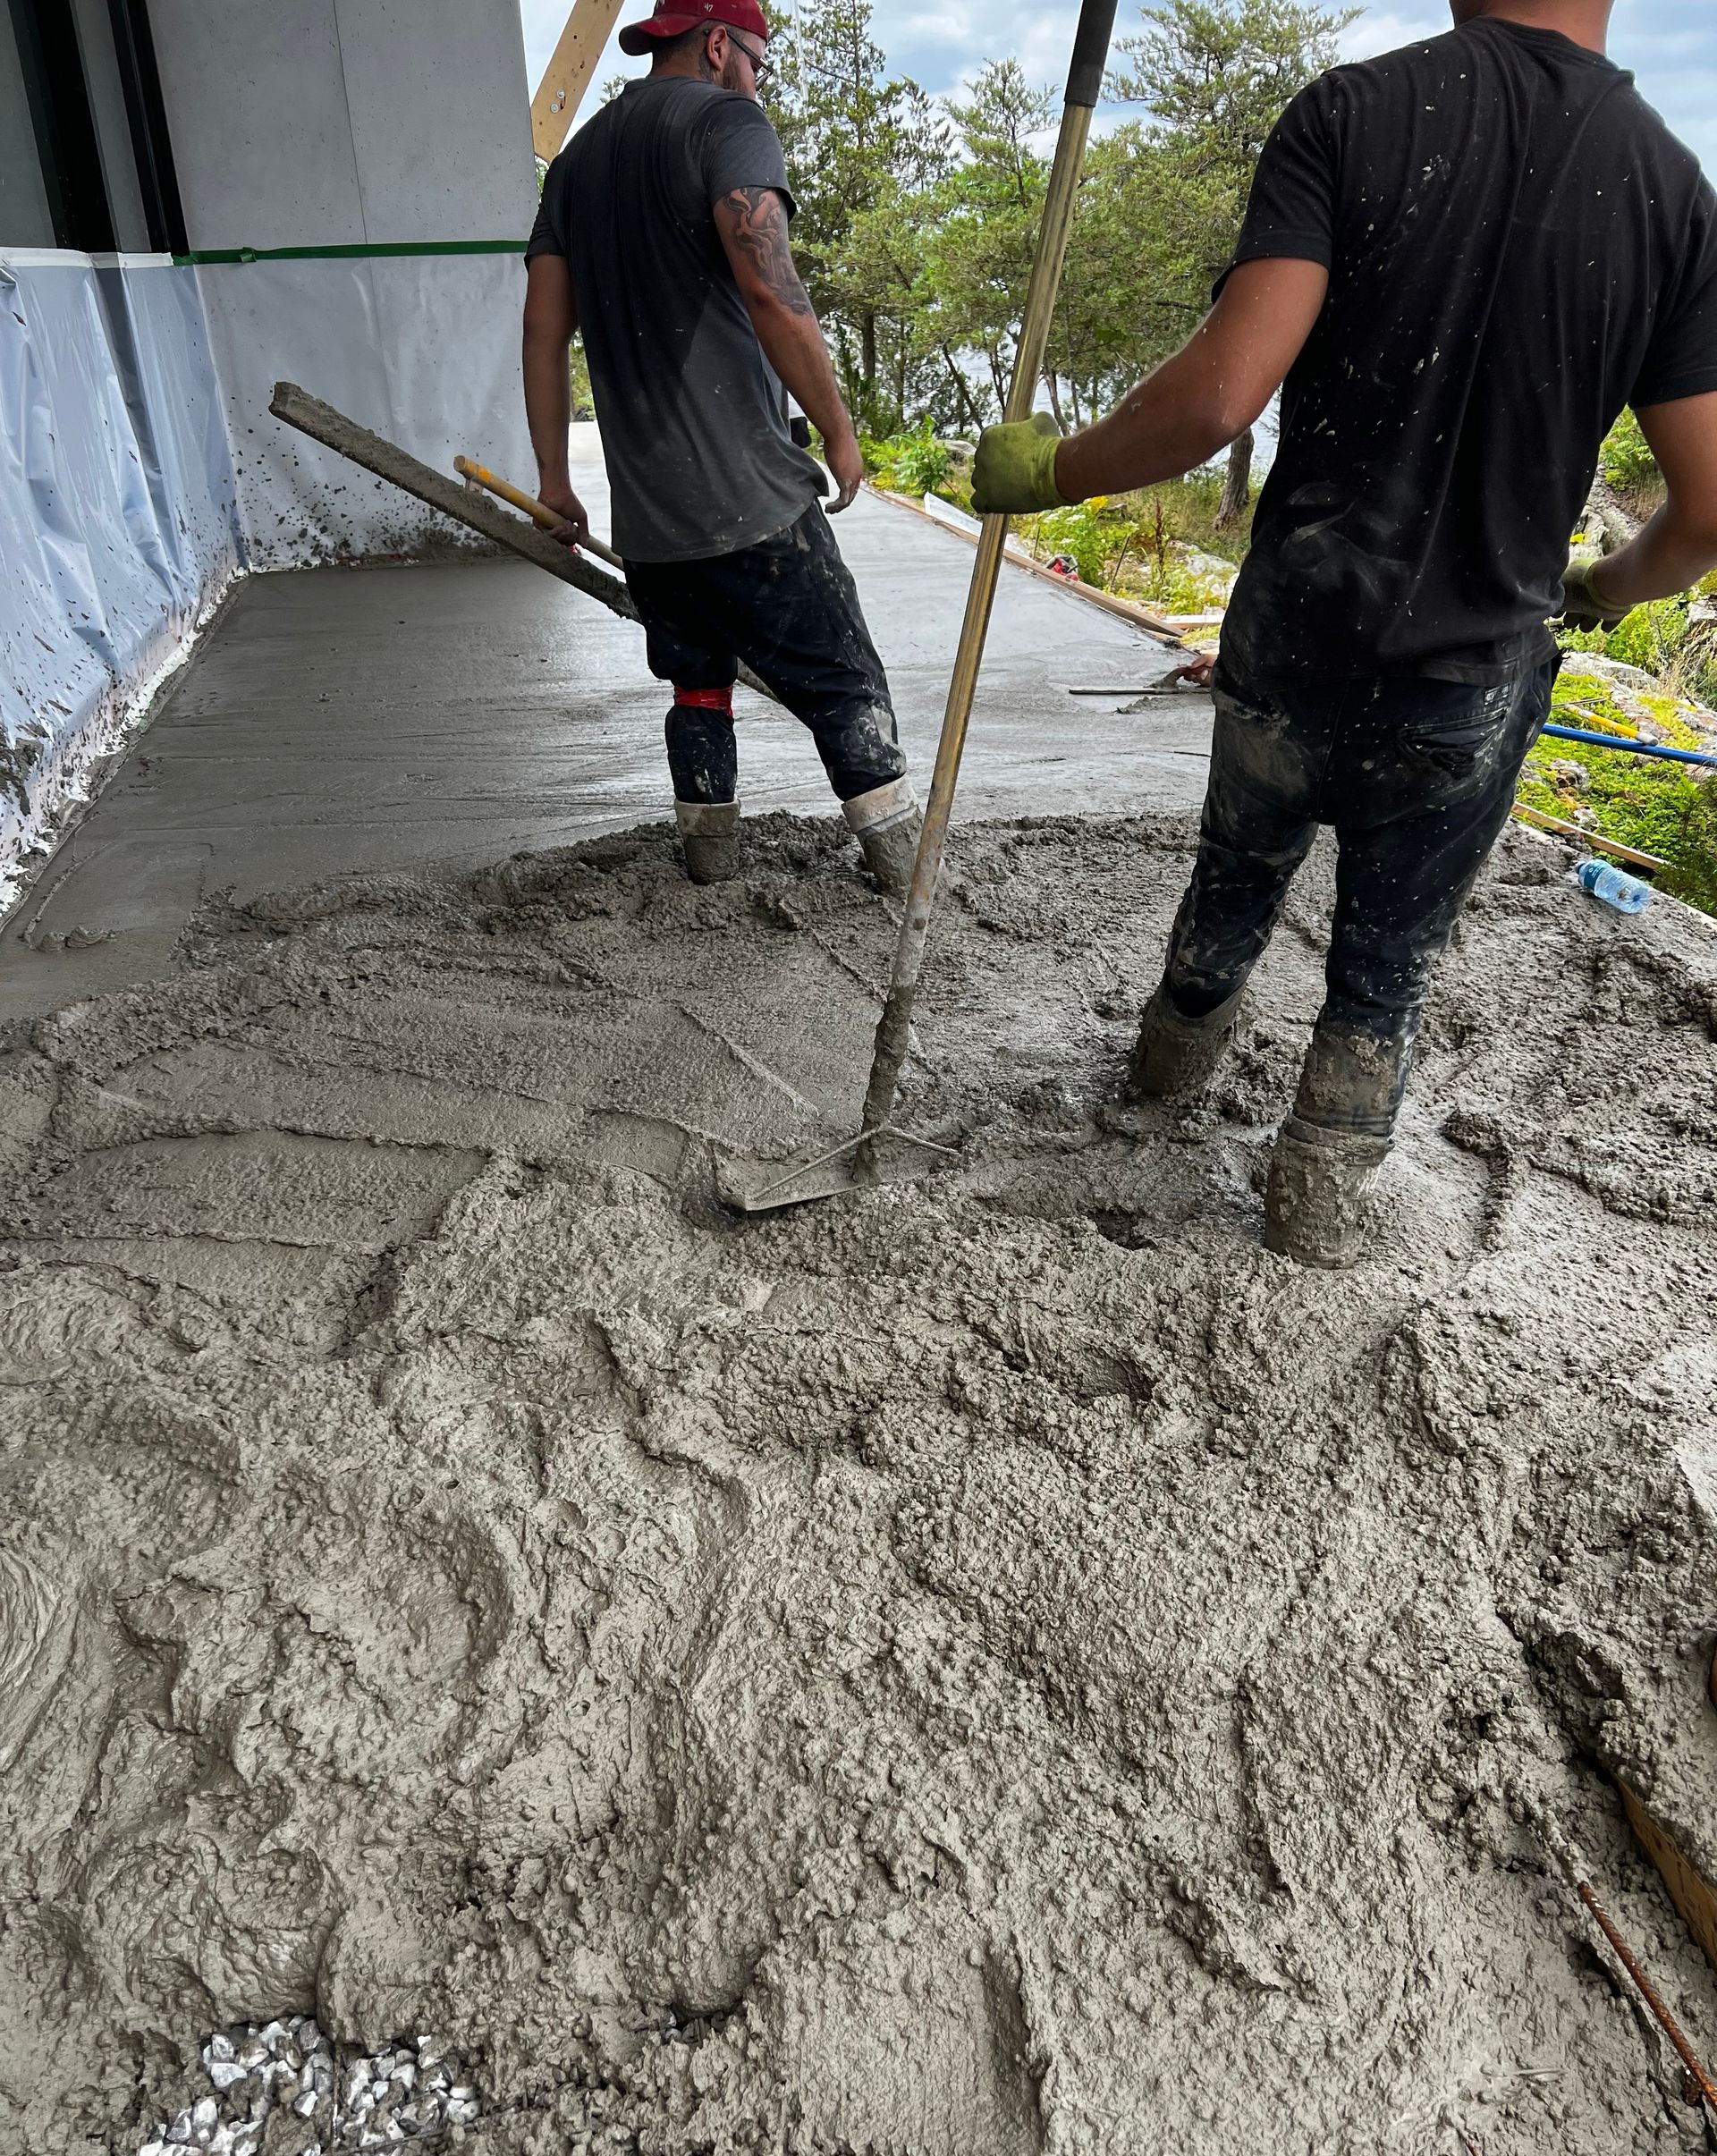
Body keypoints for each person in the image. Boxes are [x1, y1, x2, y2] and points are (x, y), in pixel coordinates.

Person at [973, 0, 1717, 1266]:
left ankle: (1163, 1075)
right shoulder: (1671, 190)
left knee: (1237, 875)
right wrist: (1601, 587)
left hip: (1299, 635)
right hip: (1469, 677)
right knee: (1389, 961)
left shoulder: (1359, 113)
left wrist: (1054, 472)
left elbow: (1221, 394)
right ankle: (1311, 1206)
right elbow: (1707, 509)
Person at [520, 0, 921, 893]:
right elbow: (774, 293)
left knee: (699, 688)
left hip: (652, 526)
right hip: (749, 501)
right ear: (716, 44)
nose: (759, 80)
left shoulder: (577, 162)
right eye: (758, 60)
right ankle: (903, 873)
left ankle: (707, 859)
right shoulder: (727, 123)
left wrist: (554, 478)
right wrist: (842, 433)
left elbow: (543, 332)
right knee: (845, 681)